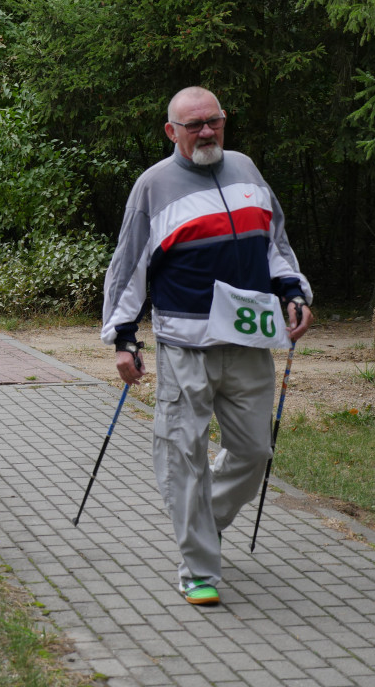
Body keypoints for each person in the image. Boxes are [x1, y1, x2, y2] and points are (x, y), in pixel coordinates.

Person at [101, 86, 314, 606]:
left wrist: (293, 290)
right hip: (186, 342)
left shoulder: (246, 170)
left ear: (224, 121)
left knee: (254, 451)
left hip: (249, 339)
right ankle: (197, 565)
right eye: (193, 124)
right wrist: (123, 337)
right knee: (184, 452)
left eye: (213, 121)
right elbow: (130, 266)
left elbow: (275, 242)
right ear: (171, 131)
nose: (205, 132)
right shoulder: (154, 186)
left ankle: (202, 523)